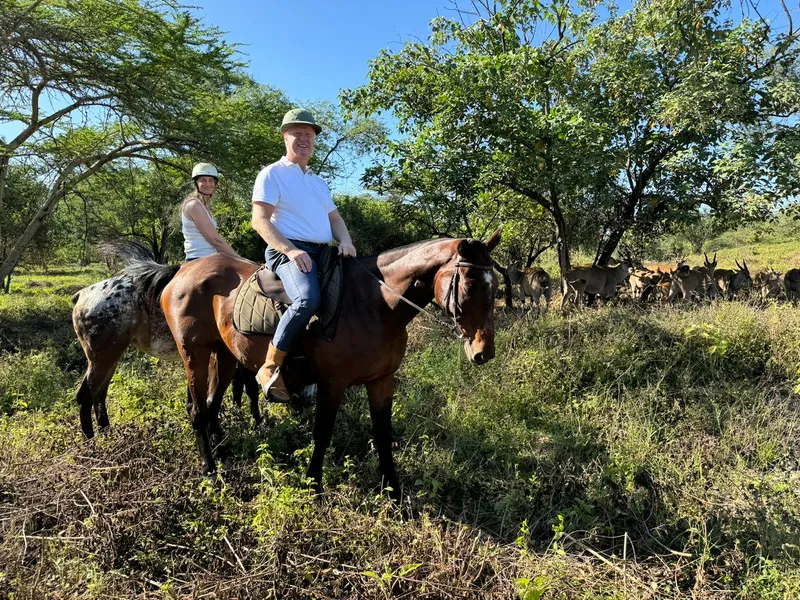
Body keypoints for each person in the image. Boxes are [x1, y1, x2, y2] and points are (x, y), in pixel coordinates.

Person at [251, 108, 357, 401]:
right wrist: (291, 250)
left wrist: (346, 241)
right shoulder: (272, 173)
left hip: (323, 251)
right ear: (285, 136)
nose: (303, 139)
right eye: (297, 133)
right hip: (287, 249)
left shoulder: (317, 181)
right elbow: (260, 220)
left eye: (308, 135)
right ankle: (270, 366)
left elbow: (334, 219)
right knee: (307, 298)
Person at [182, 163, 242, 261]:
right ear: (196, 183)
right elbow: (216, 241)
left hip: (210, 258)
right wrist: (242, 260)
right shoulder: (194, 205)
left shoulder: (204, 206)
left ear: (215, 183)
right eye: (203, 180)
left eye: (211, 180)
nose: (208, 184)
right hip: (198, 259)